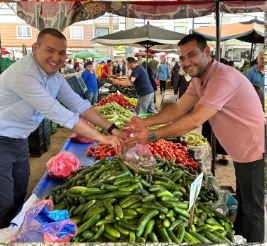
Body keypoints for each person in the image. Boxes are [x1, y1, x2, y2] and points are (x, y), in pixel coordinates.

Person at [124, 34, 264, 243]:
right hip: (239, 150)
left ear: (207, 52)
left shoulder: (222, 77)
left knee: (252, 208)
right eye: (182, 57)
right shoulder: (200, 79)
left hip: (252, 148)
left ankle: (254, 241)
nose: (186, 62)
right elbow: (180, 108)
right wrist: (146, 123)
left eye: (192, 55)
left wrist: (152, 136)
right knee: (244, 203)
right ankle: (242, 237)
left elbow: (194, 120)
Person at [0, 28, 125, 229]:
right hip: (1, 139)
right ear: (35, 48)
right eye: (50, 50)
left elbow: (78, 104)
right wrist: (103, 139)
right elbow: (57, 112)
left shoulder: (54, 77)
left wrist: (112, 129)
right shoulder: (24, 74)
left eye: (61, 52)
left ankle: (11, 231)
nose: (56, 57)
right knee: (3, 200)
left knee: (19, 192)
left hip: (21, 139)